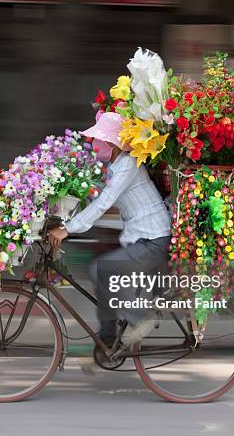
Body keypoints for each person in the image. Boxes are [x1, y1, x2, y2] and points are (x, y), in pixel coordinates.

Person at [48, 112, 171, 346]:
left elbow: (104, 203)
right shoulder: (115, 165)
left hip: (153, 240)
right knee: (103, 275)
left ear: (113, 143)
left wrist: (68, 229)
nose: (95, 144)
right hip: (141, 239)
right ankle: (108, 340)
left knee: (101, 270)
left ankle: (141, 317)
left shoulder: (128, 165)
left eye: (99, 140)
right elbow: (93, 200)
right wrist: (59, 220)